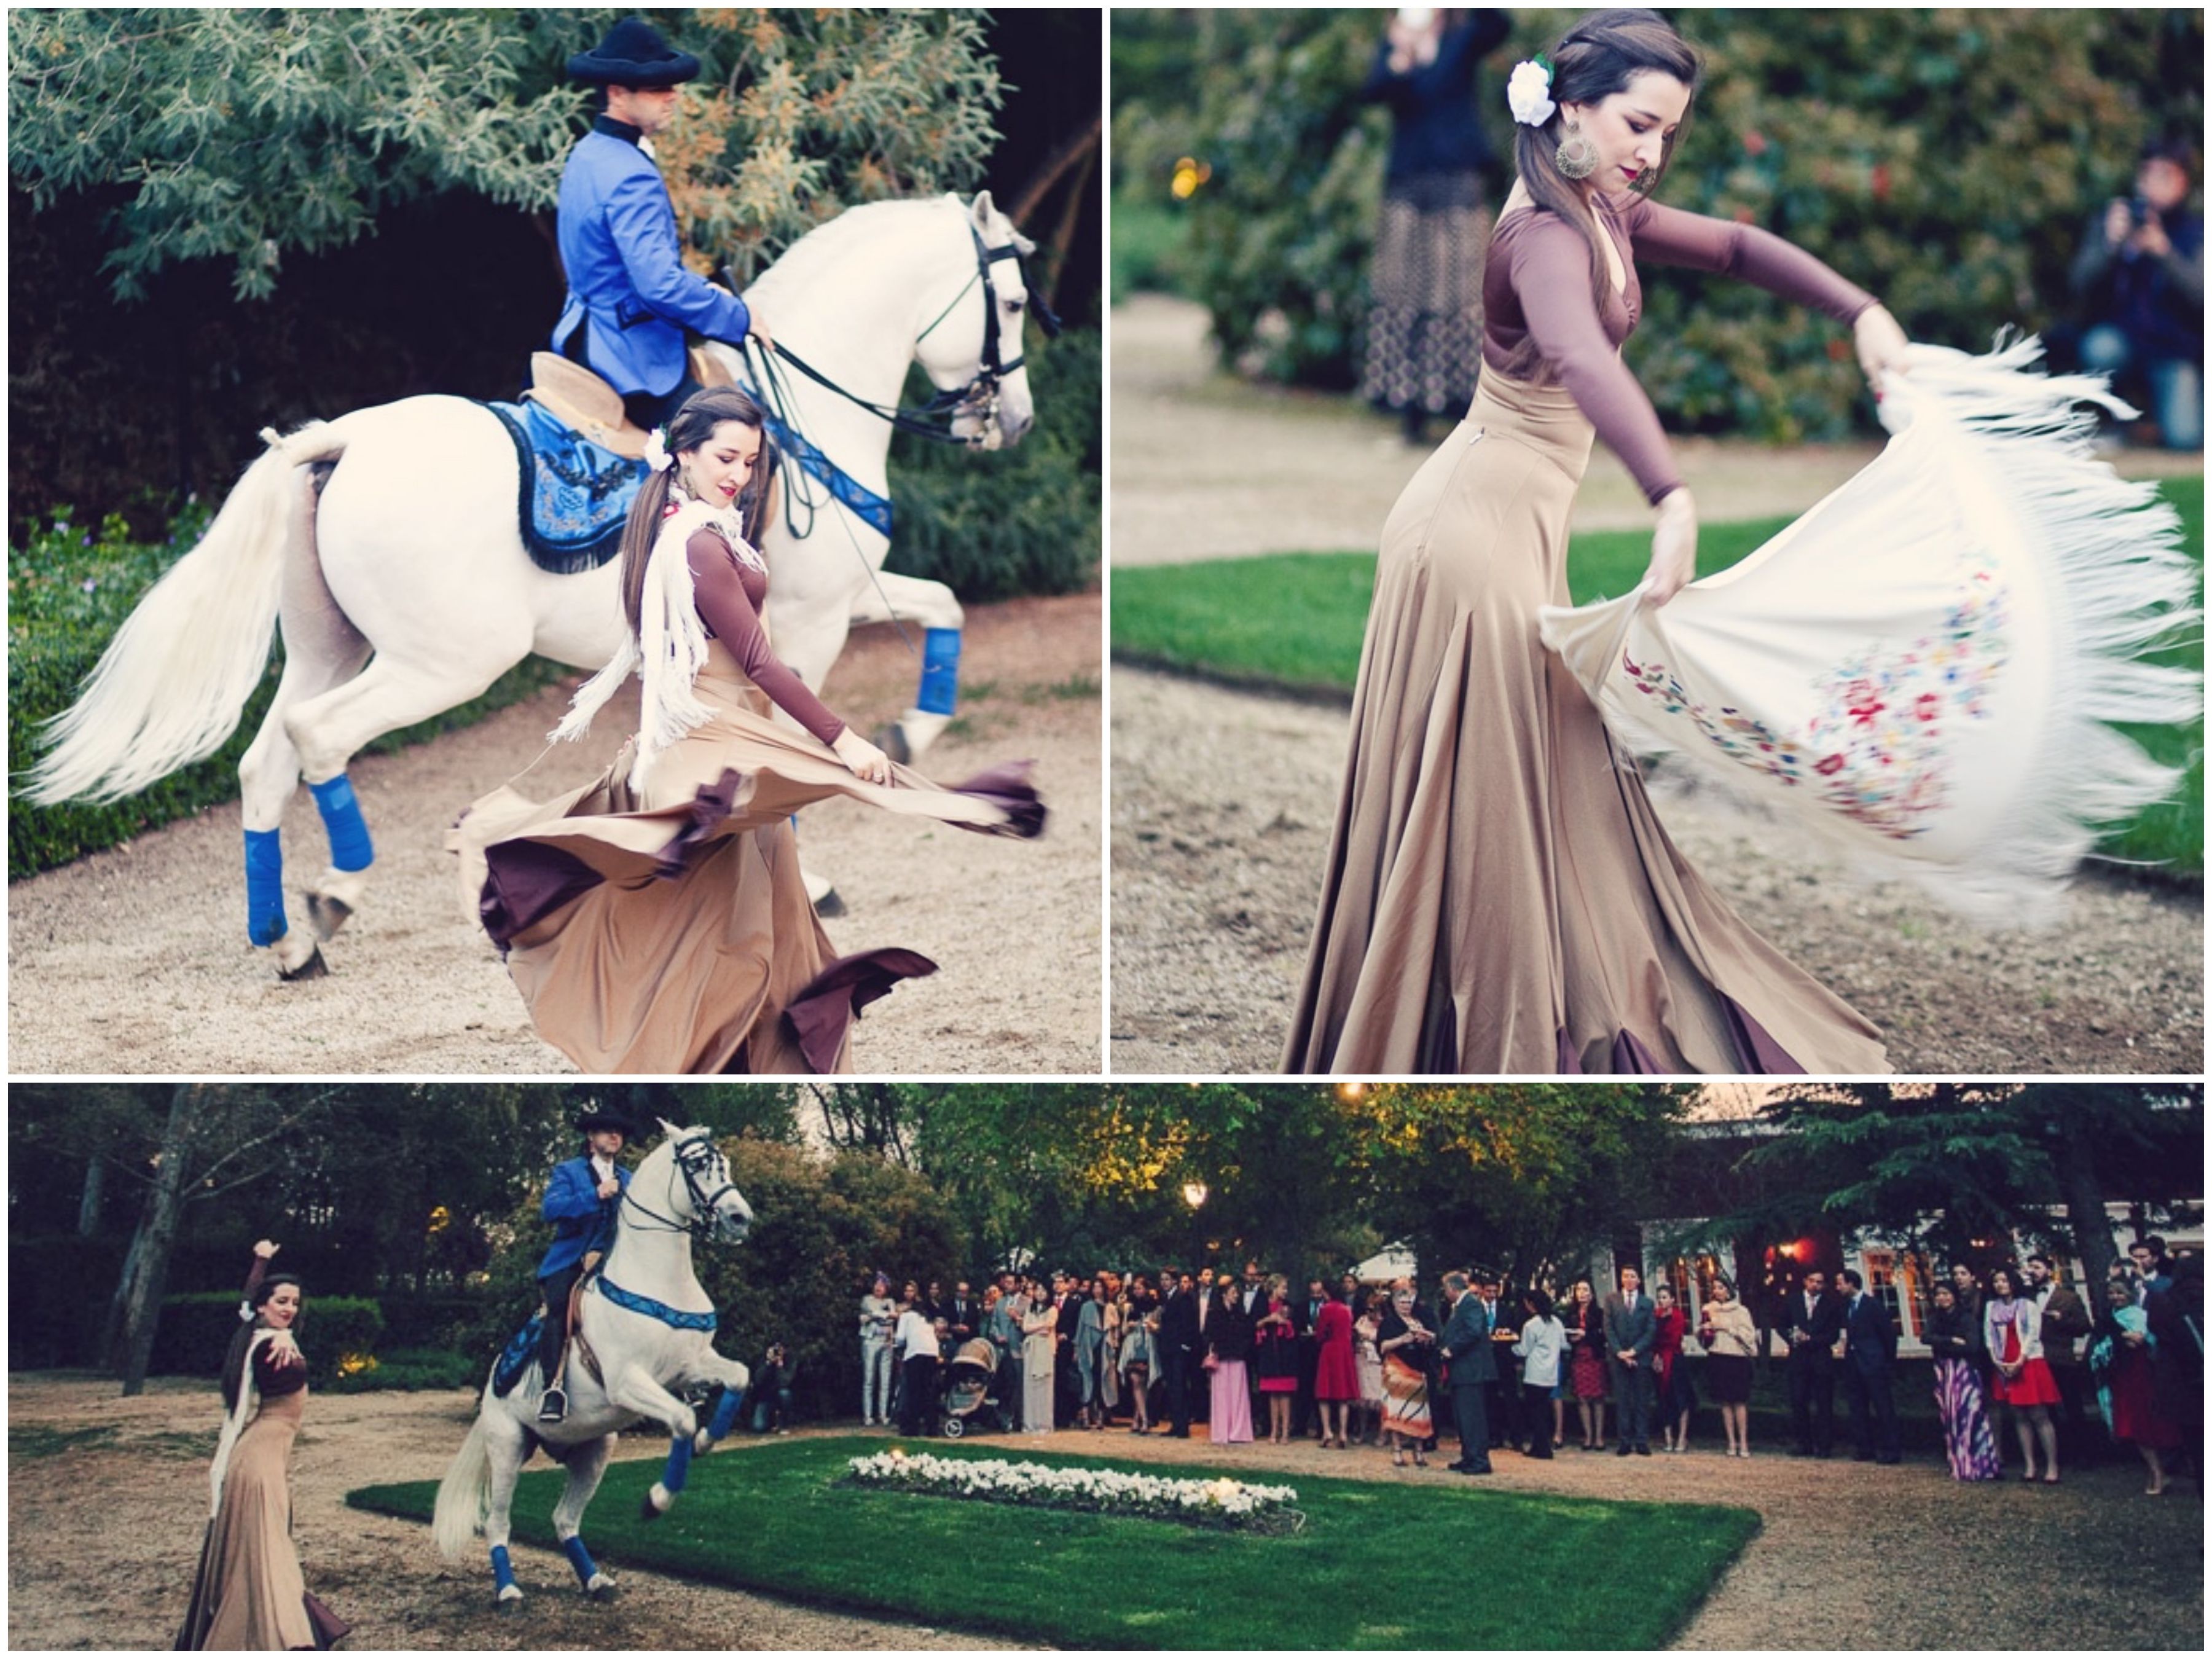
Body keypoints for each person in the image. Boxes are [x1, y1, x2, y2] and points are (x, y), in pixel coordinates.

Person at [1286, 8, 1910, 1075]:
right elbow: (1577, 355)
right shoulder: (1540, 232)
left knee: (1547, 784)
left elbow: (1738, 246)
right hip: (1469, 539)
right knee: (1487, 808)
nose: (1651, 150)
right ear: (1570, 108)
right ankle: (1479, 1042)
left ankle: (1518, 1009)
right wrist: (1669, 493)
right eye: (1637, 123)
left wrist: (1859, 310)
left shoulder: (1602, 209)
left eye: (1668, 132)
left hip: (1512, 532)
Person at [458, 386, 1041, 1074]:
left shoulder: (702, 527)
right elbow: (760, 661)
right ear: (685, 454)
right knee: (742, 903)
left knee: (761, 910)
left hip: (724, 726)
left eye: (751, 462)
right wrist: (843, 739)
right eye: (725, 458)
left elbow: (685, 651)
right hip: (719, 732)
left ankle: (750, 1051)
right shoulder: (697, 545)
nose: (739, 474)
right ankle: (693, 1049)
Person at [553, 17, 767, 431]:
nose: (672, 96)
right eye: (656, 87)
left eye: (671, 85)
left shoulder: (589, 152)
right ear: (617, 92)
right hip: (628, 354)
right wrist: (737, 317)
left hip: (581, 332)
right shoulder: (630, 172)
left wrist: (705, 290)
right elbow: (658, 285)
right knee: (740, 447)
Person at [178, 1241, 345, 1651]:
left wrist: (261, 1261)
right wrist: (281, 1345)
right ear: (264, 1306)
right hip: (258, 1460)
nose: (289, 1309)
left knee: (265, 1549)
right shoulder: (270, 1346)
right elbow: (240, 1411)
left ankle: (270, 1628)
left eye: (294, 1303)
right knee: (270, 1552)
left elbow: (245, 1305)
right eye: (281, 1302)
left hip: (266, 1455)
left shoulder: (260, 1331)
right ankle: (280, 1636)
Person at [1358, 8, 1513, 444]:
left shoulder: (1462, 39)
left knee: (1461, 295)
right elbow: (1373, 92)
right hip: (1407, 183)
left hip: (1457, 181)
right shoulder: (1396, 42)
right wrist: (1400, 61)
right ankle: (1412, 417)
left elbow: (1499, 26)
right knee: (1407, 293)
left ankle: (1471, 414)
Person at [2069, 135, 2203, 450]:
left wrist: (2164, 253)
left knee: (2185, 439)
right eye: (2147, 174)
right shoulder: (2114, 221)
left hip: (2174, 350)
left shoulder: (2196, 231)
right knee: (2100, 348)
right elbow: (2079, 284)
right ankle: (2111, 422)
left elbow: (2201, 297)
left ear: (2183, 181)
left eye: (2164, 175)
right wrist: (2110, 246)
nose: (2152, 184)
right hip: (2124, 340)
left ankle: (2150, 427)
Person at [535, 1108, 636, 1424]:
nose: (615, 1136)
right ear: (591, 1139)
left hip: (614, 1258)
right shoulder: (568, 1172)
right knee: (559, 1309)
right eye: (607, 1131)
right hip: (569, 1260)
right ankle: (552, 1388)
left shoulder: (630, 1179)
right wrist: (595, 1194)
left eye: (618, 1132)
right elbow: (551, 1210)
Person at [2087, 1277, 2178, 1496]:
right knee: (2132, 1423)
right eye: (2112, 1293)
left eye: (2120, 1293)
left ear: (2130, 1294)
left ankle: (2159, 1471)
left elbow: (2141, 1339)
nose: (2116, 1297)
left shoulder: (2139, 1315)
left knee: (2146, 1422)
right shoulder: (2109, 1317)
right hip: (2121, 1373)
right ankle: (2155, 1469)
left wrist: (2124, 1336)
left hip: (2141, 1373)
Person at [1984, 1265, 2062, 1484]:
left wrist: (2020, 1360)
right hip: (2004, 1361)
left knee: (2039, 1415)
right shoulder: (1992, 1307)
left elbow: (2032, 1334)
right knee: (2019, 1415)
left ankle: (2052, 1465)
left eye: (2004, 1281)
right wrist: (1996, 1360)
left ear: (2013, 1283)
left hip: (2028, 1361)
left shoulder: (2027, 1306)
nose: (2000, 1285)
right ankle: (2030, 1464)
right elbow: (1989, 1335)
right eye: (1997, 1281)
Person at [1924, 1280, 2001, 1481]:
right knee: (1951, 1417)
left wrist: (1945, 1343)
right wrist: (1950, 1340)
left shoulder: (1966, 1318)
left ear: (1954, 1296)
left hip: (1965, 1371)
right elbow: (1926, 1337)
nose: (1942, 1298)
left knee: (1971, 1414)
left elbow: (1972, 1346)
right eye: (1939, 1294)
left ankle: (1980, 1463)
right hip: (1944, 1370)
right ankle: (1959, 1462)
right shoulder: (1935, 1318)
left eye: (1946, 1294)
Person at [2025, 1253, 2092, 1457]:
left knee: (2072, 1406)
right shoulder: (2027, 1297)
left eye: (2037, 1267)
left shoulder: (2068, 1297)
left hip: (2062, 1358)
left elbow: (2084, 1326)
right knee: (2044, 1408)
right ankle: (2055, 1451)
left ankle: (2083, 1452)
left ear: (2048, 1270)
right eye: (2030, 1268)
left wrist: (2062, 1319)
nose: (2033, 1272)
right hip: (2036, 1358)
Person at [1837, 1268, 1901, 1465]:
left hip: (1874, 1363)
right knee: (1858, 1407)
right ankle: (1865, 1448)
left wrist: (1887, 1360)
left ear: (1851, 1284)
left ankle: (1891, 1450)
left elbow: (1888, 1335)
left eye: (1840, 1283)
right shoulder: (1846, 1306)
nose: (1838, 1288)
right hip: (1854, 1364)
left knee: (1883, 1407)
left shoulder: (1873, 1305)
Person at [1438, 1271, 1496, 1474]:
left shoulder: (1470, 1304)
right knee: (1463, 1416)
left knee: (1472, 1417)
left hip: (1470, 1370)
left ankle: (1479, 1460)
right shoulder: (1461, 1306)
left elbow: (1472, 1331)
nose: (1445, 1294)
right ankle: (1469, 1456)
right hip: (1462, 1371)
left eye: (1446, 1289)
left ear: (1453, 1289)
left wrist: (1451, 1349)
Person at [1783, 1268, 1843, 1458]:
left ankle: (1824, 1445)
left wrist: (1810, 1339)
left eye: (1819, 1282)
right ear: (1805, 1281)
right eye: (1812, 1281)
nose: (1815, 1285)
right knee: (1799, 1401)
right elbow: (1781, 1325)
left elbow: (1833, 1335)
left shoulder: (1830, 1304)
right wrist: (1792, 1338)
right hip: (1798, 1360)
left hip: (1821, 1360)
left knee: (1824, 1403)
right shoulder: (1792, 1301)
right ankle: (1803, 1443)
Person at [1698, 1276, 1757, 1459]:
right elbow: (1703, 1337)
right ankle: (1731, 1441)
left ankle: (1744, 1442)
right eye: (1715, 1288)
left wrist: (1725, 1327)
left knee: (1739, 1401)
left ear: (1729, 1290)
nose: (1717, 1291)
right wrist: (1703, 1330)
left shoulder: (1741, 1311)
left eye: (1721, 1287)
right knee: (1724, 1402)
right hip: (1718, 1356)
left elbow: (1749, 1336)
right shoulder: (1709, 1309)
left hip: (1737, 1358)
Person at [1377, 1284, 1436, 1467]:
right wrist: (1403, 1339)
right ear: (1395, 1304)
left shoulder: (1418, 1321)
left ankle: (1419, 1452)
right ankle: (1397, 1452)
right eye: (1402, 1303)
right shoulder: (1389, 1322)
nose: (1406, 1306)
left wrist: (1427, 1339)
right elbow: (1383, 1346)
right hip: (1397, 1371)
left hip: (1418, 1371)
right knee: (1398, 1412)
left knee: (1419, 1412)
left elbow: (1429, 1345)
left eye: (1408, 1302)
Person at [1603, 1265, 1656, 1455]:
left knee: (1642, 1401)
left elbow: (1650, 1331)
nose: (1629, 1279)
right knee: (1623, 1401)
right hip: (1618, 1359)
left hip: (1640, 1358)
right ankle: (1624, 1441)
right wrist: (1620, 1353)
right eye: (1625, 1276)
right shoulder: (1612, 1300)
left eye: (1633, 1276)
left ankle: (1642, 1441)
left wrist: (1634, 1352)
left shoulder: (1647, 1303)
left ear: (1639, 1280)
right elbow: (1608, 1329)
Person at [1511, 1288, 1565, 1458]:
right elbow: (1564, 1344)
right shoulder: (1556, 1322)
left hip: (1535, 1372)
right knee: (1543, 1409)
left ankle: (1543, 1448)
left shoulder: (1531, 1325)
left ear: (1531, 1305)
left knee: (1536, 1412)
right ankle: (1539, 1445)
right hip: (1551, 1371)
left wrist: (1511, 1346)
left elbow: (1524, 1349)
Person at [1206, 1280, 1257, 1445]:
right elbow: (1209, 1334)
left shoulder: (1241, 1314)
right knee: (1221, 1396)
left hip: (1237, 1357)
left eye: (1237, 1293)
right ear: (1224, 1295)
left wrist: (1242, 1350)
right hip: (1221, 1357)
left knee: (1238, 1395)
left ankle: (1238, 1431)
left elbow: (1248, 1334)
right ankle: (1221, 1431)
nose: (1236, 1296)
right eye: (1233, 1292)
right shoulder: (1214, 1313)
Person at [1312, 1281, 1360, 1448]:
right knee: (1343, 1396)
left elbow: (1320, 1333)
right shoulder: (1347, 1310)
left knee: (1324, 1394)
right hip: (1345, 1351)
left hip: (1330, 1350)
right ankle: (1343, 1433)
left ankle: (1327, 1431)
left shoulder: (1326, 1309)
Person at [1253, 1276, 1300, 1443]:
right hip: (1269, 1353)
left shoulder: (1289, 1307)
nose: (1285, 1291)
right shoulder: (1262, 1304)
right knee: (1273, 1394)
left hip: (1286, 1354)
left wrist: (1286, 1322)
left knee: (1285, 1394)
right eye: (1283, 1288)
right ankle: (1273, 1430)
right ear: (1273, 1288)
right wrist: (1269, 1319)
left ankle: (1285, 1431)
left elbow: (1296, 1329)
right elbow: (1254, 1323)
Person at [1652, 1281, 1697, 1453]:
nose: (1661, 1301)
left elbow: (1673, 1338)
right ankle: (1668, 1437)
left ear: (1672, 1299)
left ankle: (1682, 1437)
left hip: (1676, 1360)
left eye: (1664, 1298)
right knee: (1663, 1398)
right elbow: (1652, 1337)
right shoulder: (1655, 1316)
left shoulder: (1678, 1316)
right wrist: (1655, 1355)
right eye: (1659, 1298)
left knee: (1681, 1398)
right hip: (1660, 1360)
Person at [1566, 1277, 1609, 1450]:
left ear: (1592, 1294)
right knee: (1582, 1398)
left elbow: (1603, 1336)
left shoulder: (1599, 1313)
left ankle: (1599, 1437)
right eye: (1579, 1290)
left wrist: (1586, 1336)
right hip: (1578, 1358)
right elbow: (1566, 1335)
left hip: (1595, 1357)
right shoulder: (1571, 1314)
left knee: (1598, 1398)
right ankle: (1588, 1436)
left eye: (1586, 1290)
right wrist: (1573, 1338)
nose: (1582, 1293)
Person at [1158, 1269, 1199, 1438]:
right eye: (1162, 1279)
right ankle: (1176, 1424)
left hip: (1178, 1349)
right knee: (1172, 1387)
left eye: (1167, 1279)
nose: (1164, 1282)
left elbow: (1188, 1322)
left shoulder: (1182, 1297)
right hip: (1168, 1348)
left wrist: (1185, 1345)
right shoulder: (1166, 1298)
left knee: (1179, 1386)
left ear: (1174, 1281)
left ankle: (1183, 1426)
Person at [1019, 1276, 1058, 1436]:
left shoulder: (1053, 1309)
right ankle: (1029, 1423)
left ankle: (1044, 1423)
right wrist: (1038, 1329)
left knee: (1044, 1386)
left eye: (1043, 1290)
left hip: (1045, 1350)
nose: (1040, 1293)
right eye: (1038, 1290)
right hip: (1031, 1349)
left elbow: (1049, 1325)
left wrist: (1035, 1328)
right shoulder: (1030, 1309)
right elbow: (1025, 1327)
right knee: (1030, 1387)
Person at [859, 1271, 896, 1427]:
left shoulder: (890, 1301)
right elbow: (867, 1314)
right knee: (869, 1379)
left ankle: (883, 1414)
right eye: (877, 1285)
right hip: (871, 1340)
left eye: (882, 1286)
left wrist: (879, 1315)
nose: (879, 1288)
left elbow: (894, 1315)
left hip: (886, 1341)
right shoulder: (867, 1299)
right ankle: (868, 1415)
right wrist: (882, 1314)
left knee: (885, 1380)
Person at [1120, 1277, 1158, 1433]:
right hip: (1134, 1347)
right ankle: (1145, 1420)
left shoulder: (1154, 1306)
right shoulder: (1130, 1307)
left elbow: (1158, 1326)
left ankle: (1137, 1419)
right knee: (1135, 1381)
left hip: (1148, 1346)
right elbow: (1123, 1330)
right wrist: (1129, 1326)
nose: (1137, 1291)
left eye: (1140, 1288)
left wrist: (1151, 1325)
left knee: (1144, 1383)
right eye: (1135, 1288)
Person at [1352, 1290, 1389, 1445]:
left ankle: (1382, 1433)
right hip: (1362, 1360)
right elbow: (1355, 1333)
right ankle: (1361, 1431)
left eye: (1373, 1309)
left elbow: (1384, 1339)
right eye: (1368, 1309)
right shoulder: (1362, 1320)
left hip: (1378, 1363)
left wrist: (1370, 1336)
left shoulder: (1386, 1322)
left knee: (1381, 1400)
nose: (1370, 1313)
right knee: (1363, 1401)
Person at [748, 1341, 796, 1433]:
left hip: (780, 1396)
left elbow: (785, 1382)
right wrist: (769, 1363)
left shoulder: (789, 1361)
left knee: (785, 1394)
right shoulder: (762, 1360)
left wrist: (780, 1367)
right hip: (765, 1398)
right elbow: (758, 1379)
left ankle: (783, 1424)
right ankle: (772, 1421)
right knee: (759, 1427)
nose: (777, 1353)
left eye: (779, 1350)